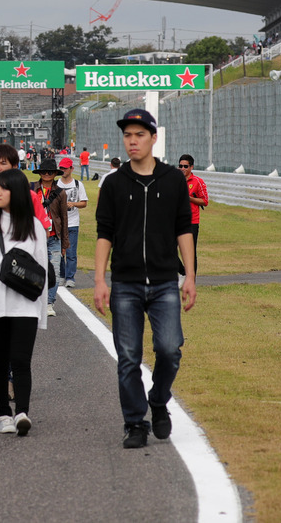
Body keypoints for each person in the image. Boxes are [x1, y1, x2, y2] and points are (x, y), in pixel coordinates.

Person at [92, 109, 195, 449]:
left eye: (139, 135)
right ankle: (135, 422)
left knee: (170, 349)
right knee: (128, 357)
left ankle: (158, 399)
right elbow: (104, 233)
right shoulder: (114, 183)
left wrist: (190, 276)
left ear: (153, 138)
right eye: (127, 135)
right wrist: (99, 280)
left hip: (166, 280)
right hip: (125, 282)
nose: (132, 141)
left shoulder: (173, 179)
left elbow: (184, 229)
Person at [0, 169, 50, 436]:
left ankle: (22, 413)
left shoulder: (34, 225)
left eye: (4, 188)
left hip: (24, 304)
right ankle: (3, 414)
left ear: (16, 192)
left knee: (21, 360)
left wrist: (42, 310)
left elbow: (42, 271)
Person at [30, 160, 70, 315]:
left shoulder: (61, 193)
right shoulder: (31, 188)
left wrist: (64, 244)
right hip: (34, 237)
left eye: (50, 172)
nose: (46, 174)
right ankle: (34, 299)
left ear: (55, 174)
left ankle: (49, 303)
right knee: (34, 269)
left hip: (54, 237)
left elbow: (64, 218)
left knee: (54, 271)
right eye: (44, 172)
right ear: (39, 173)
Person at [54, 157, 88, 288]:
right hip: (58, 224)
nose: (62, 170)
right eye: (61, 168)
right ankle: (62, 275)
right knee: (58, 251)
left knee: (71, 252)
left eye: (65, 168)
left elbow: (84, 203)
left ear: (71, 169)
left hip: (73, 222)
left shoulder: (78, 185)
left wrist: (73, 204)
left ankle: (70, 277)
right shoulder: (56, 184)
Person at [179, 154, 209, 276]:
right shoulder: (174, 180)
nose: (183, 169)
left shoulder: (197, 182)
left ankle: (191, 279)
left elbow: (205, 201)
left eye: (185, 166)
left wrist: (190, 198)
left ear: (191, 167)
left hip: (192, 222)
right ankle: (183, 272)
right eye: (180, 166)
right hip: (175, 221)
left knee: (190, 252)